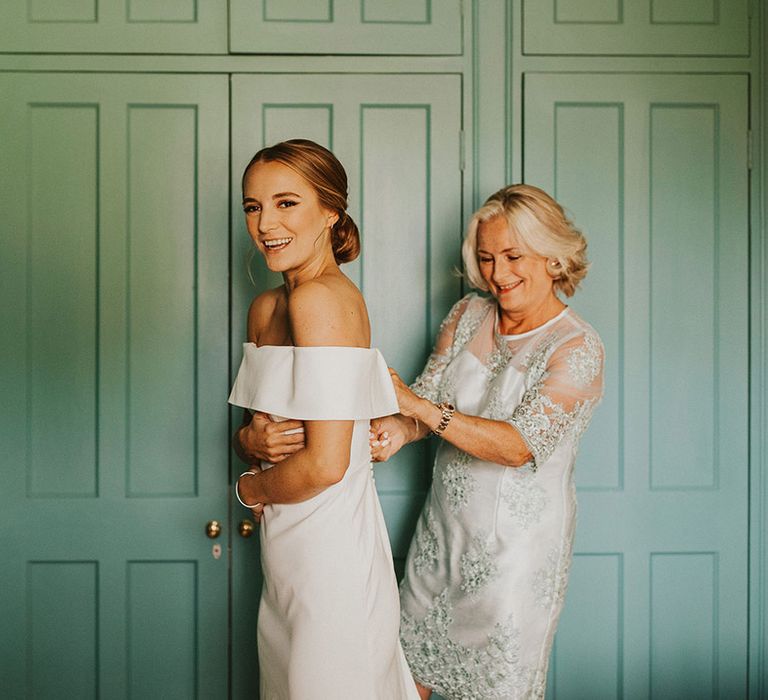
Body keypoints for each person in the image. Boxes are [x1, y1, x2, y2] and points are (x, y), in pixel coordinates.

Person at [370, 184, 605, 699]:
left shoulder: (577, 346)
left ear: (552, 256)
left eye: (513, 256)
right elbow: (423, 406)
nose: (498, 274)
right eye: (487, 258)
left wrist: (417, 408)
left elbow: (520, 446)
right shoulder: (466, 316)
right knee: (401, 684)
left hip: (514, 560)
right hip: (438, 542)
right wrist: (390, 432)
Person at [229, 139, 419, 699]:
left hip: (331, 552)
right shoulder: (267, 306)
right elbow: (262, 438)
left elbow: (327, 465)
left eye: (286, 203)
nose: (265, 223)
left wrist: (247, 489)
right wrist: (248, 441)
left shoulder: (323, 301)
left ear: (330, 210)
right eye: (252, 206)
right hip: (285, 554)